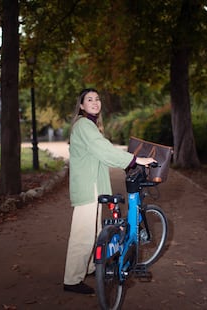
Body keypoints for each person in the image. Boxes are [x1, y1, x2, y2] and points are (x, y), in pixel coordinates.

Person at [63, 88, 156, 294]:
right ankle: (71, 280)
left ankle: (87, 268)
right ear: (81, 105)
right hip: (87, 186)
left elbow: (102, 152)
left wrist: (127, 159)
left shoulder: (89, 126)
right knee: (83, 235)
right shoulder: (85, 125)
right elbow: (104, 150)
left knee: (94, 232)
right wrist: (134, 160)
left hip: (91, 185)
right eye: (89, 99)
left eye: (97, 99)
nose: (95, 102)